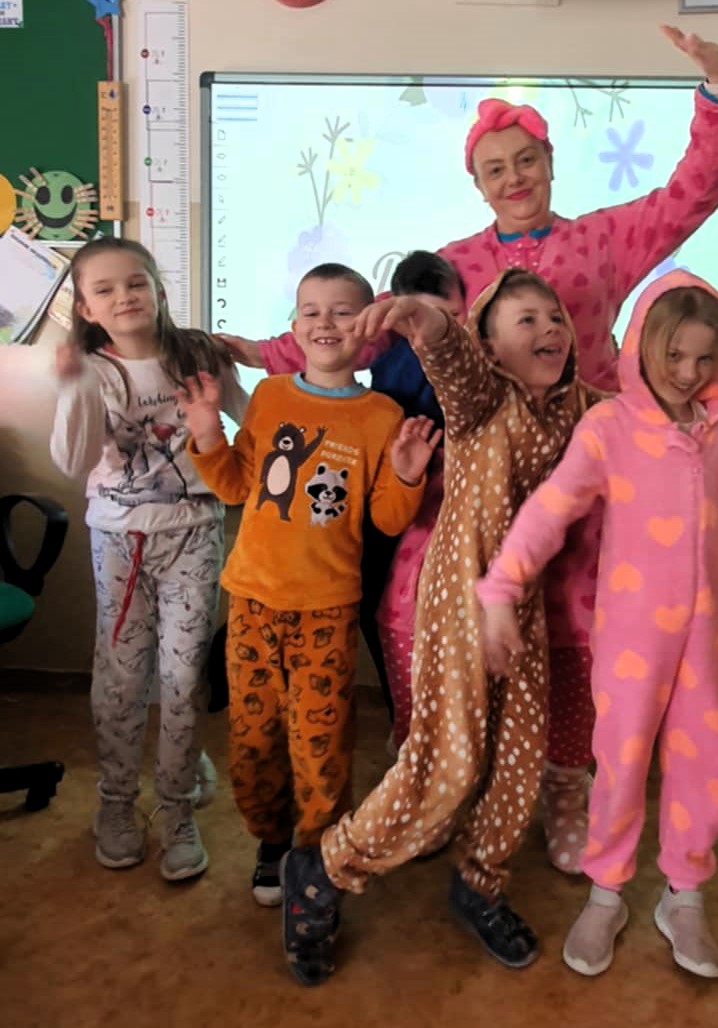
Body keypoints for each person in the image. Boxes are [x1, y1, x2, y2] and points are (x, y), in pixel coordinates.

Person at [221, 25, 718, 875]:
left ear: (550, 163)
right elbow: (366, 335)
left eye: (526, 161)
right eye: (495, 168)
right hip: (479, 475)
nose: (514, 178)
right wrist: (257, 352)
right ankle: (431, 775)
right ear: (477, 182)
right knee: (413, 600)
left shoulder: (606, 239)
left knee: (578, 623)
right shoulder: (455, 263)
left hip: (585, 471)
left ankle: (565, 787)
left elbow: (692, 193)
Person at [476, 271, 718, 981]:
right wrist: (501, 586)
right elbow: (551, 510)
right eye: (674, 355)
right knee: (618, 765)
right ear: (643, 347)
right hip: (630, 639)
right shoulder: (609, 429)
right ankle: (606, 893)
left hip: (702, 641)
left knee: (704, 766)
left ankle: (684, 896)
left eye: (705, 358)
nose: (687, 373)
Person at [275, 268, 604, 987]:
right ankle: (323, 869)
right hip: (459, 601)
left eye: (554, 317)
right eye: (526, 320)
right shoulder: (482, 397)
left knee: (518, 758)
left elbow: (641, 421)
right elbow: (448, 357)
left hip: (524, 608)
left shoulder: (582, 408)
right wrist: (417, 318)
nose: (549, 329)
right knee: (445, 764)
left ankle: (480, 881)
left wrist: (698, 420)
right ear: (489, 344)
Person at [177, 262, 439, 910]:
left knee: (321, 743)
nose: (326, 323)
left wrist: (408, 474)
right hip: (252, 603)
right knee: (253, 738)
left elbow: (386, 519)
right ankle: (271, 840)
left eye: (343, 311)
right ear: (294, 328)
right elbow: (235, 486)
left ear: (367, 328)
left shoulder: (382, 415)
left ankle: (315, 853)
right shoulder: (269, 398)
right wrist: (207, 430)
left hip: (328, 611)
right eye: (312, 312)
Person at [50, 236, 248, 880]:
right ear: (85, 308)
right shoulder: (92, 369)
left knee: (184, 677)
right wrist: (74, 386)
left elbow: (254, 421)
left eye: (136, 282)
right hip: (120, 540)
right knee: (122, 678)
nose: (124, 297)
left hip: (194, 531)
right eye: (104, 289)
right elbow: (72, 460)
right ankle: (115, 802)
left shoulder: (197, 353)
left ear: (159, 289)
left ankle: (178, 804)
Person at [362, 251, 465, 749]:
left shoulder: (470, 356)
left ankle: (422, 728)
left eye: (451, 316)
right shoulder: (392, 360)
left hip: (445, 503)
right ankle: (407, 727)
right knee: (387, 612)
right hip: (397, 499)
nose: (438, 330)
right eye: (422, 317)